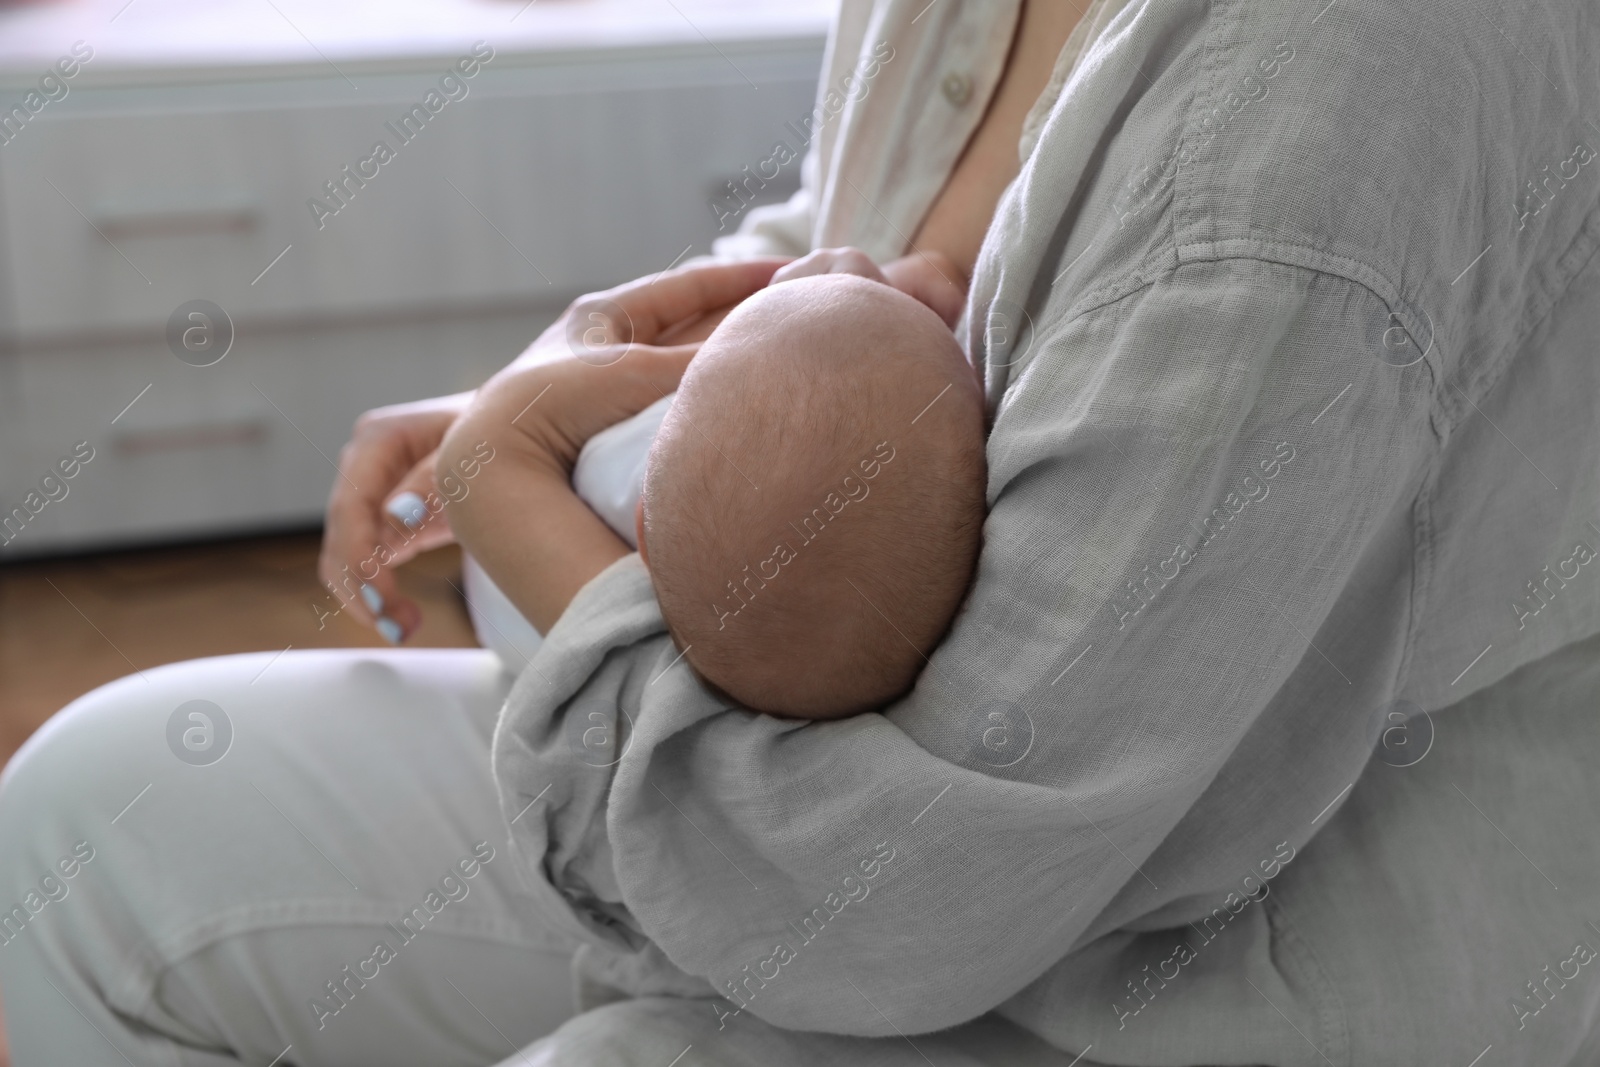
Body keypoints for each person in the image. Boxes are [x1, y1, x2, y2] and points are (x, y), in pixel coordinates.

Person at [3, 0, 1600, 1064]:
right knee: (87, 814)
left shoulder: (1339, 85)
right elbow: (856, 229)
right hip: (820, 785)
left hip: (1202, 930)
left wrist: (530, 512)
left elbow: (906, 895)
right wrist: (567, 389)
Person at [446, 258, 984, 719]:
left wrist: (870, 291)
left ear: (645, 531)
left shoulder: (638, 461)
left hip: (502, 610)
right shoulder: (847, 649)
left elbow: (777, 374)